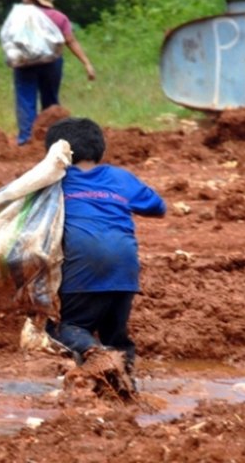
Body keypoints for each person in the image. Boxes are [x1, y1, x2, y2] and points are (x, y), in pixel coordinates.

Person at [44, 117, 166, 378]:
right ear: (100, 149)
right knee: (116, 337)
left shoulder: (53, 181)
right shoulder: (120, 178)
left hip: (81, 265)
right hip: (125, 269)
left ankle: (97, 356)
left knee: (70, 327)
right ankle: (124, 389)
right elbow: (157, 207)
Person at [13, 0, 96, 146]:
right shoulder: (59, 17)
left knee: (25, 99)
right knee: (50, 101)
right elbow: (70, 41)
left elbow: (11, 38)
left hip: (25, 63)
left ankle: (26, 139)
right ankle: (52, 139)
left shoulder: (21, 16)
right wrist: (87, 63)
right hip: (51, 64)